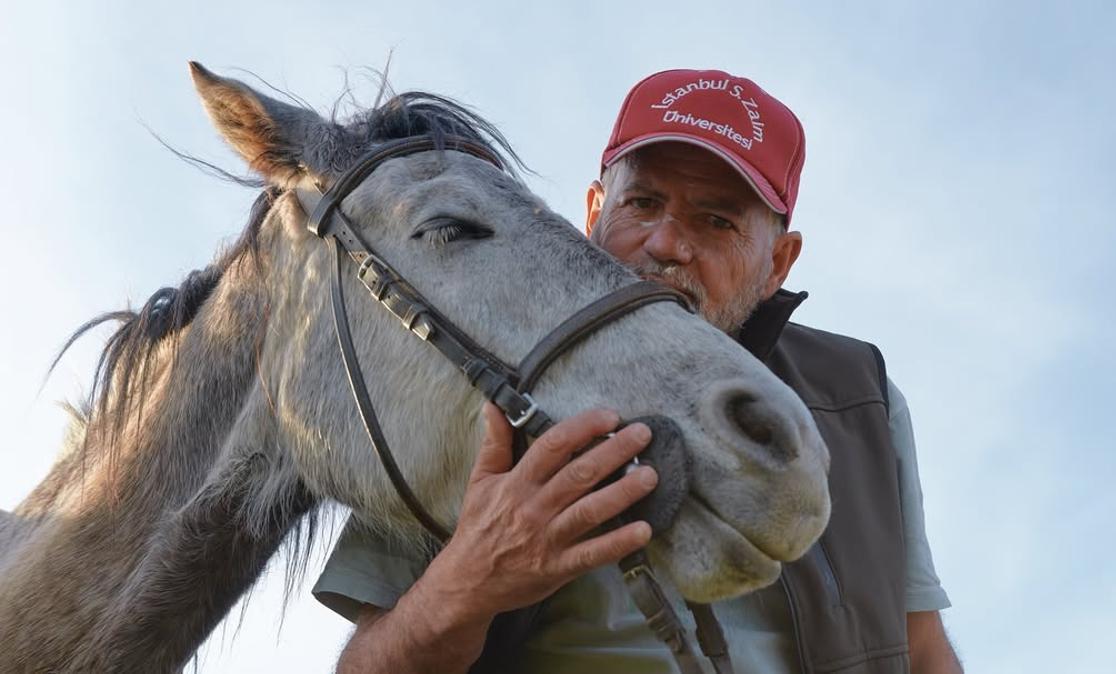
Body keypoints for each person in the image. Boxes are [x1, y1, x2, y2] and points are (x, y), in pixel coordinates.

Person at [314, 69, 963, 674]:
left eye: (716, 220)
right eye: (643, 203)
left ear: (779, 264)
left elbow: (922, 648)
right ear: (595, 211)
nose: (665, 244)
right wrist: (470, 580)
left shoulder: (857, 395)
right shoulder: (467, 366)